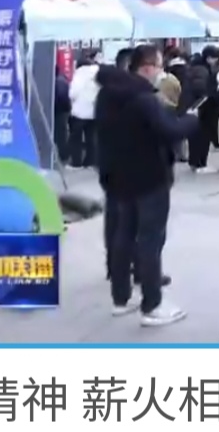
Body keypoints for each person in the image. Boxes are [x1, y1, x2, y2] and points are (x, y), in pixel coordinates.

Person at [95, 44, 197, 326]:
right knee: (150, 240)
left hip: (119, 176)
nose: (160, 73)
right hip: (150, 178)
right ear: (147, 67)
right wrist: (190, 122)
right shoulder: (143, 99)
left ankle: (120, 298)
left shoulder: (106, 95)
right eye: (159, 67)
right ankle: (152, 304)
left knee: (123, 236)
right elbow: (169, 131)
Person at [68, 49, 100, 168]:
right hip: (93, 111)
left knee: (75, 138)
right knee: (91, 138)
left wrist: (71, 98)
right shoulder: (99, 73)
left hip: (79, 112)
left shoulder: (80, 73)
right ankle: (90, 162)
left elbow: (73, 92)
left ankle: (76, 163)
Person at [53, 64, 72, 164]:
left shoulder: (56, 82)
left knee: (60, 134)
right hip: (64, 110)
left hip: (59, 110)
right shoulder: (63, 80)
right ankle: (63, 155)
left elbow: (59, 97)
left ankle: (63, 155)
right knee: (62, 134)